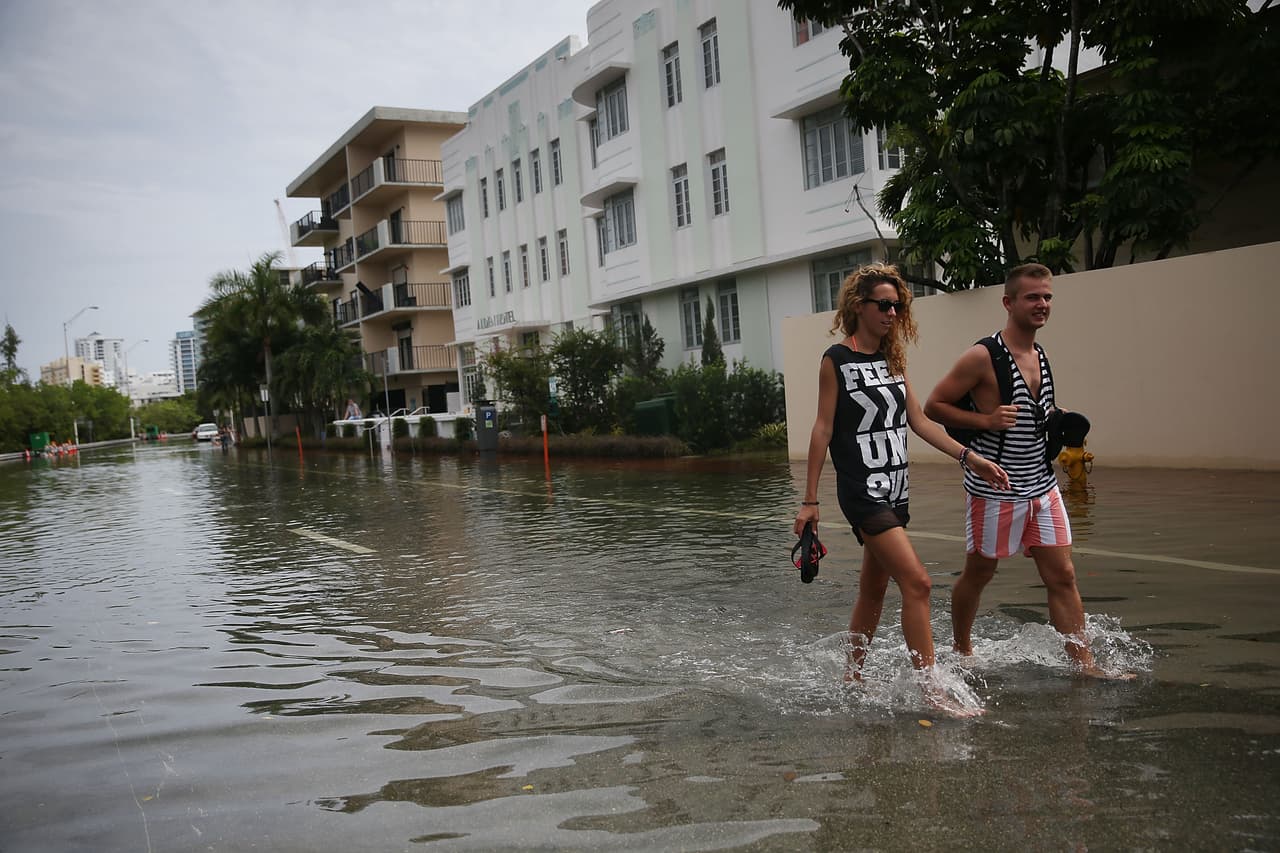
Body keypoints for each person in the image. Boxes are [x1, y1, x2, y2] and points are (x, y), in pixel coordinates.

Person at [795, 263, 1009, 714]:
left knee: (873, 591)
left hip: (895, 490)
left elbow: (920, 421)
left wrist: (970, 457)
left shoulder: (893, 360)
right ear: (860, 306)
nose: (893, 313)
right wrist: (810, 501)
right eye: (885, 305)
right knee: (919, 583)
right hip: (863, 491)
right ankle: (931, 692)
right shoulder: (837, 359)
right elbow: (821, 429)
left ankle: (851, 677)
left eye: (898, 305)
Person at [924, 263, 1124, 678]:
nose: (1042, 304)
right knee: (980, 572)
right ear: (1008, 302)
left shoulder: (1040, 354)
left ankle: (1084, 666)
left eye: (1047, 297)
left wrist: (1055, 415)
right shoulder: (983, 356)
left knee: (1063, 575)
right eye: (1033, 297)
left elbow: (1032, 411)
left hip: (1042, 484)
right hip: (995, 487)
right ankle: (961, 649)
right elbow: (933, 407)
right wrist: (987, 420)